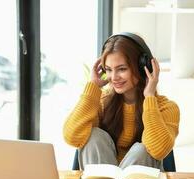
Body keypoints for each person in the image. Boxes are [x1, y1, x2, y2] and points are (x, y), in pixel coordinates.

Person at [63, 32, 180, 171]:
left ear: (144, 68)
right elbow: (71, 137)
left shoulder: (167, 108)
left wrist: (149, 96)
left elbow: (159, 150)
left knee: (142, 149)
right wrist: (94, 86)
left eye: (122, 69)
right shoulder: (102, 102)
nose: (114, 77)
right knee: (94, 136)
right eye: (108, 70)